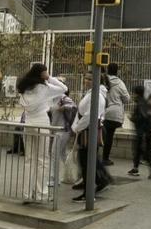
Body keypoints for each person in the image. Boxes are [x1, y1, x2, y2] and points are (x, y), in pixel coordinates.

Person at [17, 63, 67, 203]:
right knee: (42, 160)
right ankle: (41, 194)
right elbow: (64, 88)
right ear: (41, 74)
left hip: (28, 123)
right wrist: (50, 78)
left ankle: (26, 194)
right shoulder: (45, 87)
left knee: (29, 160)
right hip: (42, 123)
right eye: (45, 72)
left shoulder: (24, 87)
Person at [72, 72, 111, 202]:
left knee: (87, 160)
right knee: (87, 160)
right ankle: (94, 183)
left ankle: (89, 192)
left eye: (90, 79)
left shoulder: (97, 96)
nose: (86, 81)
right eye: (86, 78)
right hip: (86, 128)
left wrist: (78, 127)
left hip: (89, 130)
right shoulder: (91, 93)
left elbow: (90, 115)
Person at [101, 63, 130, 166]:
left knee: (100, 134)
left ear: (108, 70)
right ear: (117, 71)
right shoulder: (120, 83)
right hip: (115, 113)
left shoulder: (102, 80)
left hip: (102, 111)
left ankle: (95, 156)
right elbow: (127, 98)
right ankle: (105, 158)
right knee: (109, 136)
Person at [48, 88, 77, 186]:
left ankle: (55, 179)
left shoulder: (62, 97)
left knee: (54, 153)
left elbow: (73, 105)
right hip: (57, 129)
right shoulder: (52, 98)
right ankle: (70, 175)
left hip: (63, 130)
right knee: (62, 153)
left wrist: (64, 107)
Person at [129, 85, 151, 176]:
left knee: (142, 151)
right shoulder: (144, 102)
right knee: (140, 151)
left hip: (141, 131)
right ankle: (135, 168)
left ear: (136, 93)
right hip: (144, 131)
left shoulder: (140, 103)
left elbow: (143, 117)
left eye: (133, 93)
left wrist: (133, 118)